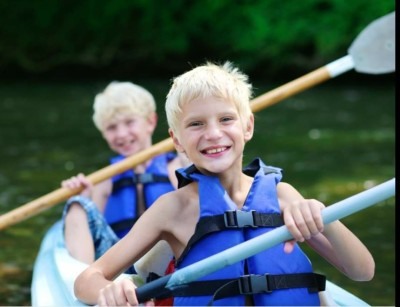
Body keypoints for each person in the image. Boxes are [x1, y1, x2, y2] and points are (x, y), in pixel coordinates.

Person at [73, 62, 375, 306]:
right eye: (196, 124)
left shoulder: (283, 196)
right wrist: (110, 290)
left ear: (248, 126)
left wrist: (322, 216)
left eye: (226, 119)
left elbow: (362, 271)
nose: (213, 134)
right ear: (177, 140)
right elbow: (87, 280)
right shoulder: (173, 208)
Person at [61, 81, 189, 266]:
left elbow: (197, 208)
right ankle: (82, 284)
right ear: (104, 134)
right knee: (77, 206)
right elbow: (92, 227)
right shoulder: (104, 180)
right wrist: (84, 196)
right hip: (120, 265)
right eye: (111, 128)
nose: (121, 134)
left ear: (150, 122)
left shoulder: (174, 167)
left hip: (167, 260)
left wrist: (189, 163)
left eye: (130, 122)